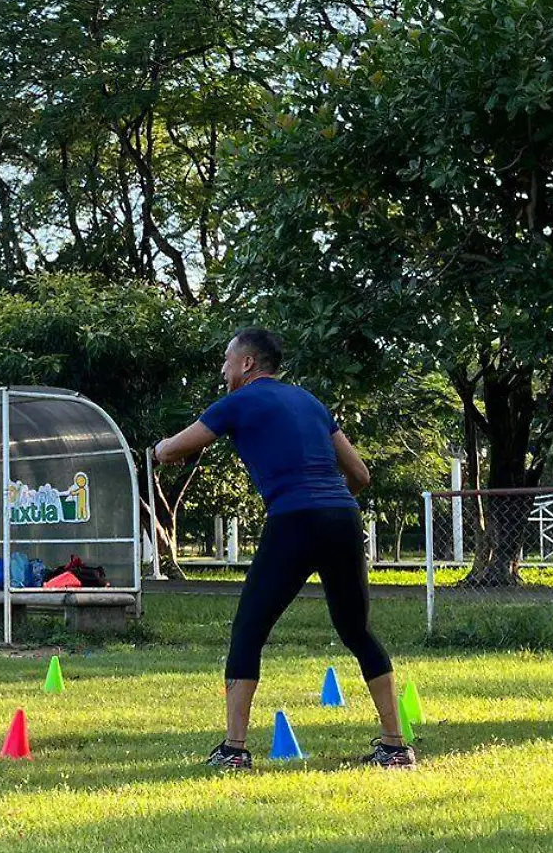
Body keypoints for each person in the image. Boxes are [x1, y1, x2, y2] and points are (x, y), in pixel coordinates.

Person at [153, 327, 413, 770]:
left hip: (293, 520)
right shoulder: (310, 402)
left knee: (249, 630)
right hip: (342, 518)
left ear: (248, 364)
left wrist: (155, 450)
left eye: (227, 360)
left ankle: (234, 750)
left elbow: (173, 450)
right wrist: (329, 500)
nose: (223, 369)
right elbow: (361, 475)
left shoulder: (238, 402)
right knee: (356, 631)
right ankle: (395, 746)